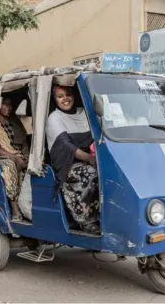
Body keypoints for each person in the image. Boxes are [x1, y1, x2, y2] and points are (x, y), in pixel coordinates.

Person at [46, 86, 100, 234]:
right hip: (69, 163)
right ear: (55, 100)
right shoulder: (54, 118)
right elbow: (66, 146)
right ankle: (86, 220)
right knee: (90, 174)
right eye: (60, 96)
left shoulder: (84, 113)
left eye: (68, 95)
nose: (65, 99)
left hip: (92, 157)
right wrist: (89, 159)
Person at [0, 96, 29, 221]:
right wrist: (14, 158)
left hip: (16, 153)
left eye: (10, 105)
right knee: (9, 165)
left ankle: (27, 204)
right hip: (1, 156)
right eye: (4, 104)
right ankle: (14, 207)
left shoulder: (14, 121)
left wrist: (26, 155)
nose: (7, 108)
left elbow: (24, 141)